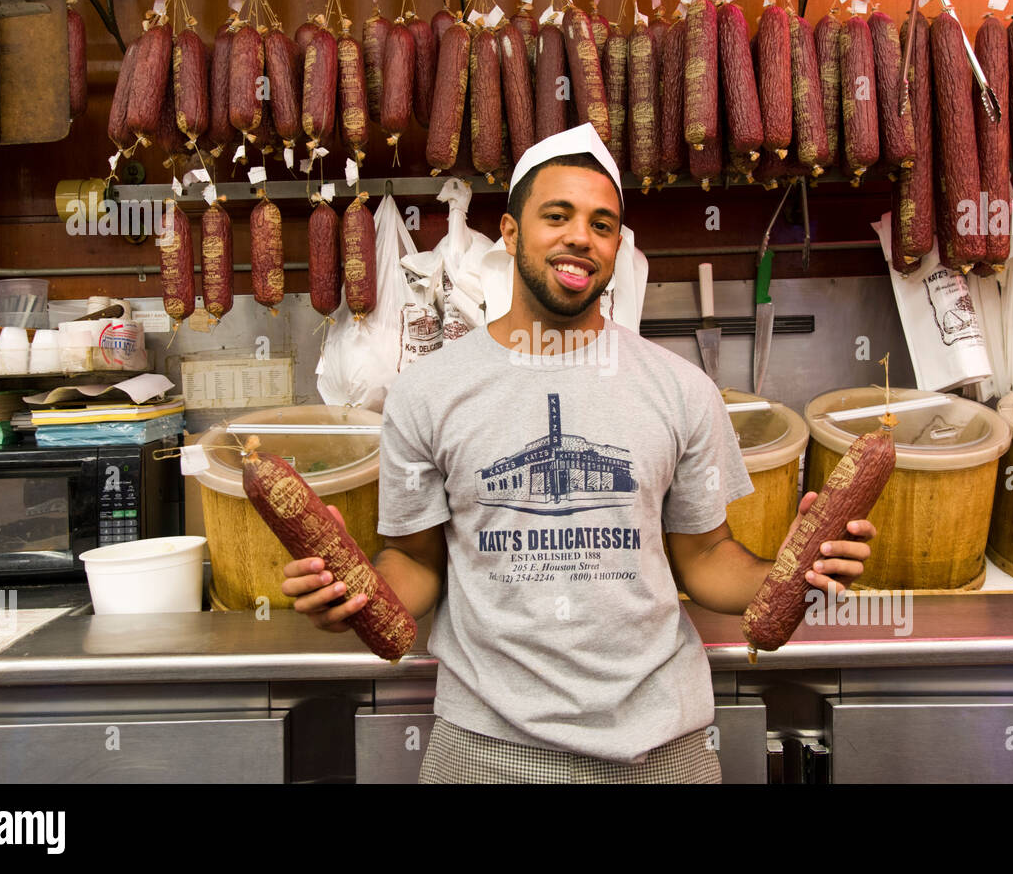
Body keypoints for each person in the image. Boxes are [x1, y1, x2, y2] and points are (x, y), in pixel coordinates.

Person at [282, 124, 877, 783]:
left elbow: (705, 558)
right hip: (485, 748)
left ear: (616, 247)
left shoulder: (681, 388)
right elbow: (417, 564)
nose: (580, 238)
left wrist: (792, 572)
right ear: (509, 233)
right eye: (556, 216)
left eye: (601, 224)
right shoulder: (427, 391)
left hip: (663, 747)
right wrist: (355, 593)